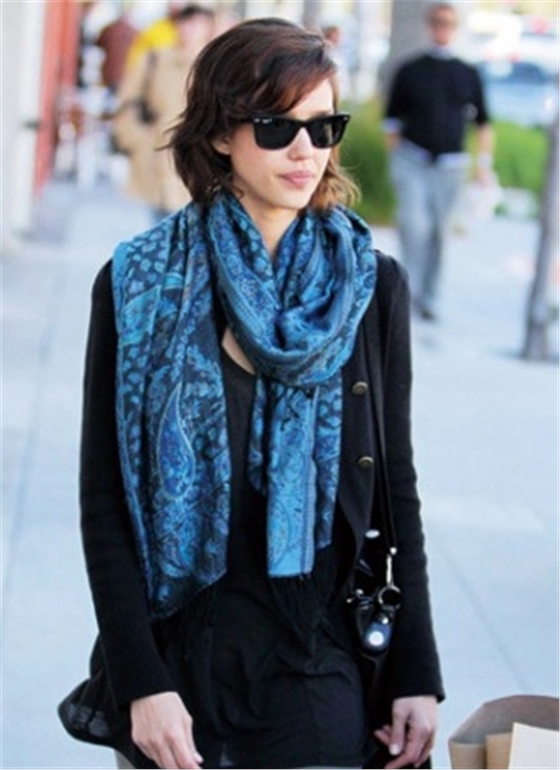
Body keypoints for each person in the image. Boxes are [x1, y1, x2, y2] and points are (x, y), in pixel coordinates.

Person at [58, 18, 444, 770]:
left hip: (316, 646)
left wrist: (415, 671)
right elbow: (104, 500)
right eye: (276, 127)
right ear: (219, 134)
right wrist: (142, 683)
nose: (305, 150)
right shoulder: (138, 284)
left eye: (323, 126)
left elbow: (394, 485)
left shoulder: (370, 286)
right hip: (180, 645)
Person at [383, 2, 493, 321]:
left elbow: (483, 124)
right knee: (414, 226)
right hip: (412, 160)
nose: (442, 28)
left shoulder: (468, 73)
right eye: (437, 22)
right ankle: (408, 292)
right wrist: (396, 158)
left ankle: (430, 298)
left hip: (451, 166)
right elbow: (391, 122)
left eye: (448, 23)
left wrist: (483, 165)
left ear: (455, 27)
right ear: (429, 24)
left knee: (440, 234)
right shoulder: (410, 70)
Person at [111, 4, 215, 221]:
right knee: (158, 224)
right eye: (187, 23)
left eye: (198, 24)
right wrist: (135, 138)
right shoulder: (155, 59)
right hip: (156, 155)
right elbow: (128, 100)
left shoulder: (215, 68)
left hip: (197, 160)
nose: (192, 30)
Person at [96, 10, 138, 94]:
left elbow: (98, 43)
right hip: (125, 72)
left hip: (109, 73)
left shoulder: (109, 29)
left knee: (110, 95)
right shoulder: (135, 32)